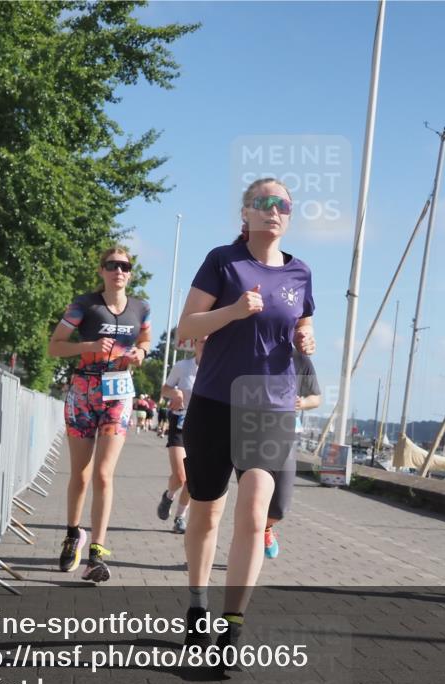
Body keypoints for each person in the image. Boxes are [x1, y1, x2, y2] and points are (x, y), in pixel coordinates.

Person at [177, 177, 315, 657]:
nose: (274, 210)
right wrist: (233, 311)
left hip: (270, 405)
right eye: (264, 202)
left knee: (256, 511)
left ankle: (232, 626)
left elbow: (302, 324)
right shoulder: (223, 261)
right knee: (206, 510)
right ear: (246, 212)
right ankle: (198, 604)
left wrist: (306, 338)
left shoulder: (300, 273)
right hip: (215, 401)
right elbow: (186, 327)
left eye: (283, 204)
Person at [48, 246, 150, 583]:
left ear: (130, 273)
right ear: (101, 270)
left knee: (104, 475)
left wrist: (141, 353)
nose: (119, 271)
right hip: (84, 391)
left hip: (118, 393)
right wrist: (89, 346)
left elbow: (145, 339)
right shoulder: (85, 305)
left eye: (124, 266)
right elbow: (54, 346)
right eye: (112, 265)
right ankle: (72, 534)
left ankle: (96, 554)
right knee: (81, 473)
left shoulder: (141, 307)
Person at [264, 350, 321, 559]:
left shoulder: (301, 360)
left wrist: (302, 403)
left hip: (287, 434)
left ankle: (265, 527)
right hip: (253, 434)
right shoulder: (256, 351)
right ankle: (248, 539)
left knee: (280, 506)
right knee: (253, 499)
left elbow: (316, 398)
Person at [157, 337, 206, 534]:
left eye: (210, 341)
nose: (206, 345)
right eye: (202, 341)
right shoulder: (182, 366)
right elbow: (164, 390)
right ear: (195, 344)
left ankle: (180, 517)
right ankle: (168, 496)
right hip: (180, 424)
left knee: (191, 478)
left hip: (203, 428)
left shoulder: (218, 368)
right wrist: (175, 393)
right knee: (180, 476)